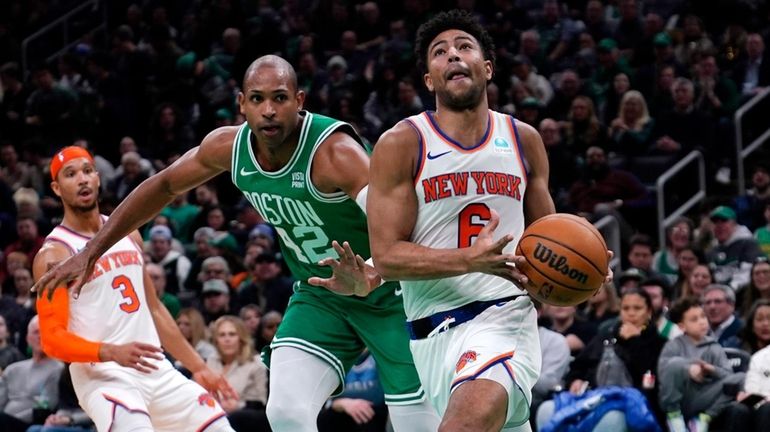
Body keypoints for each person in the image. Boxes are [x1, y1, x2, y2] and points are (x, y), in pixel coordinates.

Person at [32, 57, 439, 432]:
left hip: (389, 294)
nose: (268, 111)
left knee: (416, 425)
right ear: (241, 103)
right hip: (322, 297)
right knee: (286, 412)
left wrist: (369, 273)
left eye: (280, 99)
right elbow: (163, 185)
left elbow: (405, 229)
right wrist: (90, 251)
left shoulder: (336, 153)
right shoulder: (230, 146)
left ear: (299, 101)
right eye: (257, 99)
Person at [366, 10, 610, 431]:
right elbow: (387, 257)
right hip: (430, 338)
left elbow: (547, 243)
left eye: (464, 47)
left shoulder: (523, 140)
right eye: (439, 53)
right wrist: (469, 259)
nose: (453, 56)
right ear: (429, 79)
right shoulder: (402, 143)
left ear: (487, 67)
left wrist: (579, 274)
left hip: (504, 320)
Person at [32, 146, 236, 432]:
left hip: (155, 367)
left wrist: (198, 367)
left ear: (98, 178)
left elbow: (154, 308)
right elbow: (52, 340)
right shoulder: (55, 254)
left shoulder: (128, 232)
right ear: (56, 187)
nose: (82, 180)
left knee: (220, 428)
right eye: (71, 174)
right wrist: (110, 352)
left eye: (88, 171)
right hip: (103, 375)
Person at [658, 296, 745, 432]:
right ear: (682, 326)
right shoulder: (673, 345)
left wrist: (711, 369)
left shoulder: (714, 346)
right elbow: (663, 372)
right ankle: (674, 418)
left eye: (703, 317)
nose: (702, 322)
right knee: (673, 363)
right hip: (682, 398)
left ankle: (703, 419)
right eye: (694, 319)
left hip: (705, 398)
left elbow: (728, 375)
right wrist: (688, 368)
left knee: (740, 378)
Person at [0, 316, 64, 432]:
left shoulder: (58, 369)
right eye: (36, 332)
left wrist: (9, 419)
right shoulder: (12, 370)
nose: (40, 336)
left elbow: (46, 407)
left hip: (30, 424)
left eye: (44, 332)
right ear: (28, 338)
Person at [207, 316, 269, 432]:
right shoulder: (211, 360)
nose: (227, 339)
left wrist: (237, 406)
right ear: (216, 340)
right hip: (211, 414)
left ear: (241, 338)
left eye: (232, 334)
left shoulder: (255, 363)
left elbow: (261, 402)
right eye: (222, 335)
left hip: (243, 420)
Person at [702, 284, 744, 348]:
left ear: (731, 305)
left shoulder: (744, 330)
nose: (712, 307)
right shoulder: (699, 332)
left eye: (718, 301)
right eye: (708, 302)